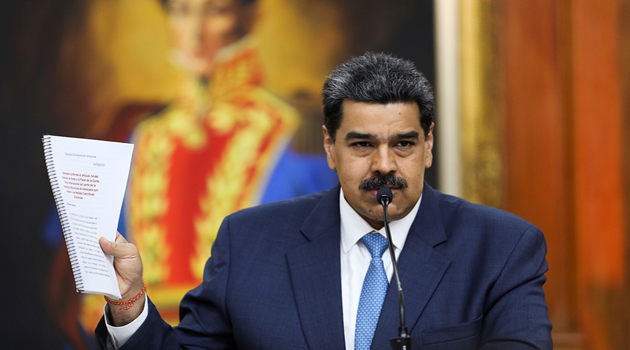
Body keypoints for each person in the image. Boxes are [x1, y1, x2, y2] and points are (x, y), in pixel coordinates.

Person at [94, 52, 553, 349]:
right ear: (330, 148)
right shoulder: (249, 241)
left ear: (429, 146)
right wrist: (130, 301)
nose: (384, 165)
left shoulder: (503, 248)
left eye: (404, 144)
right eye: (361, 145)